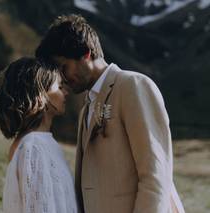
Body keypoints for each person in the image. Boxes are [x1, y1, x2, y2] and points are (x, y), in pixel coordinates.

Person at [35, 14, 185, 213]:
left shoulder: (133, 86)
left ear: (86, 54)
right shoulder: (86, 107)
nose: (62, 78)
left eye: (64, 67)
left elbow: (155, 175)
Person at [0, 57, 78, 213]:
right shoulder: (32, 146)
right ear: (40, 94)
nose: (66, 92)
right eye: (60, 87)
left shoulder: (44, 142)